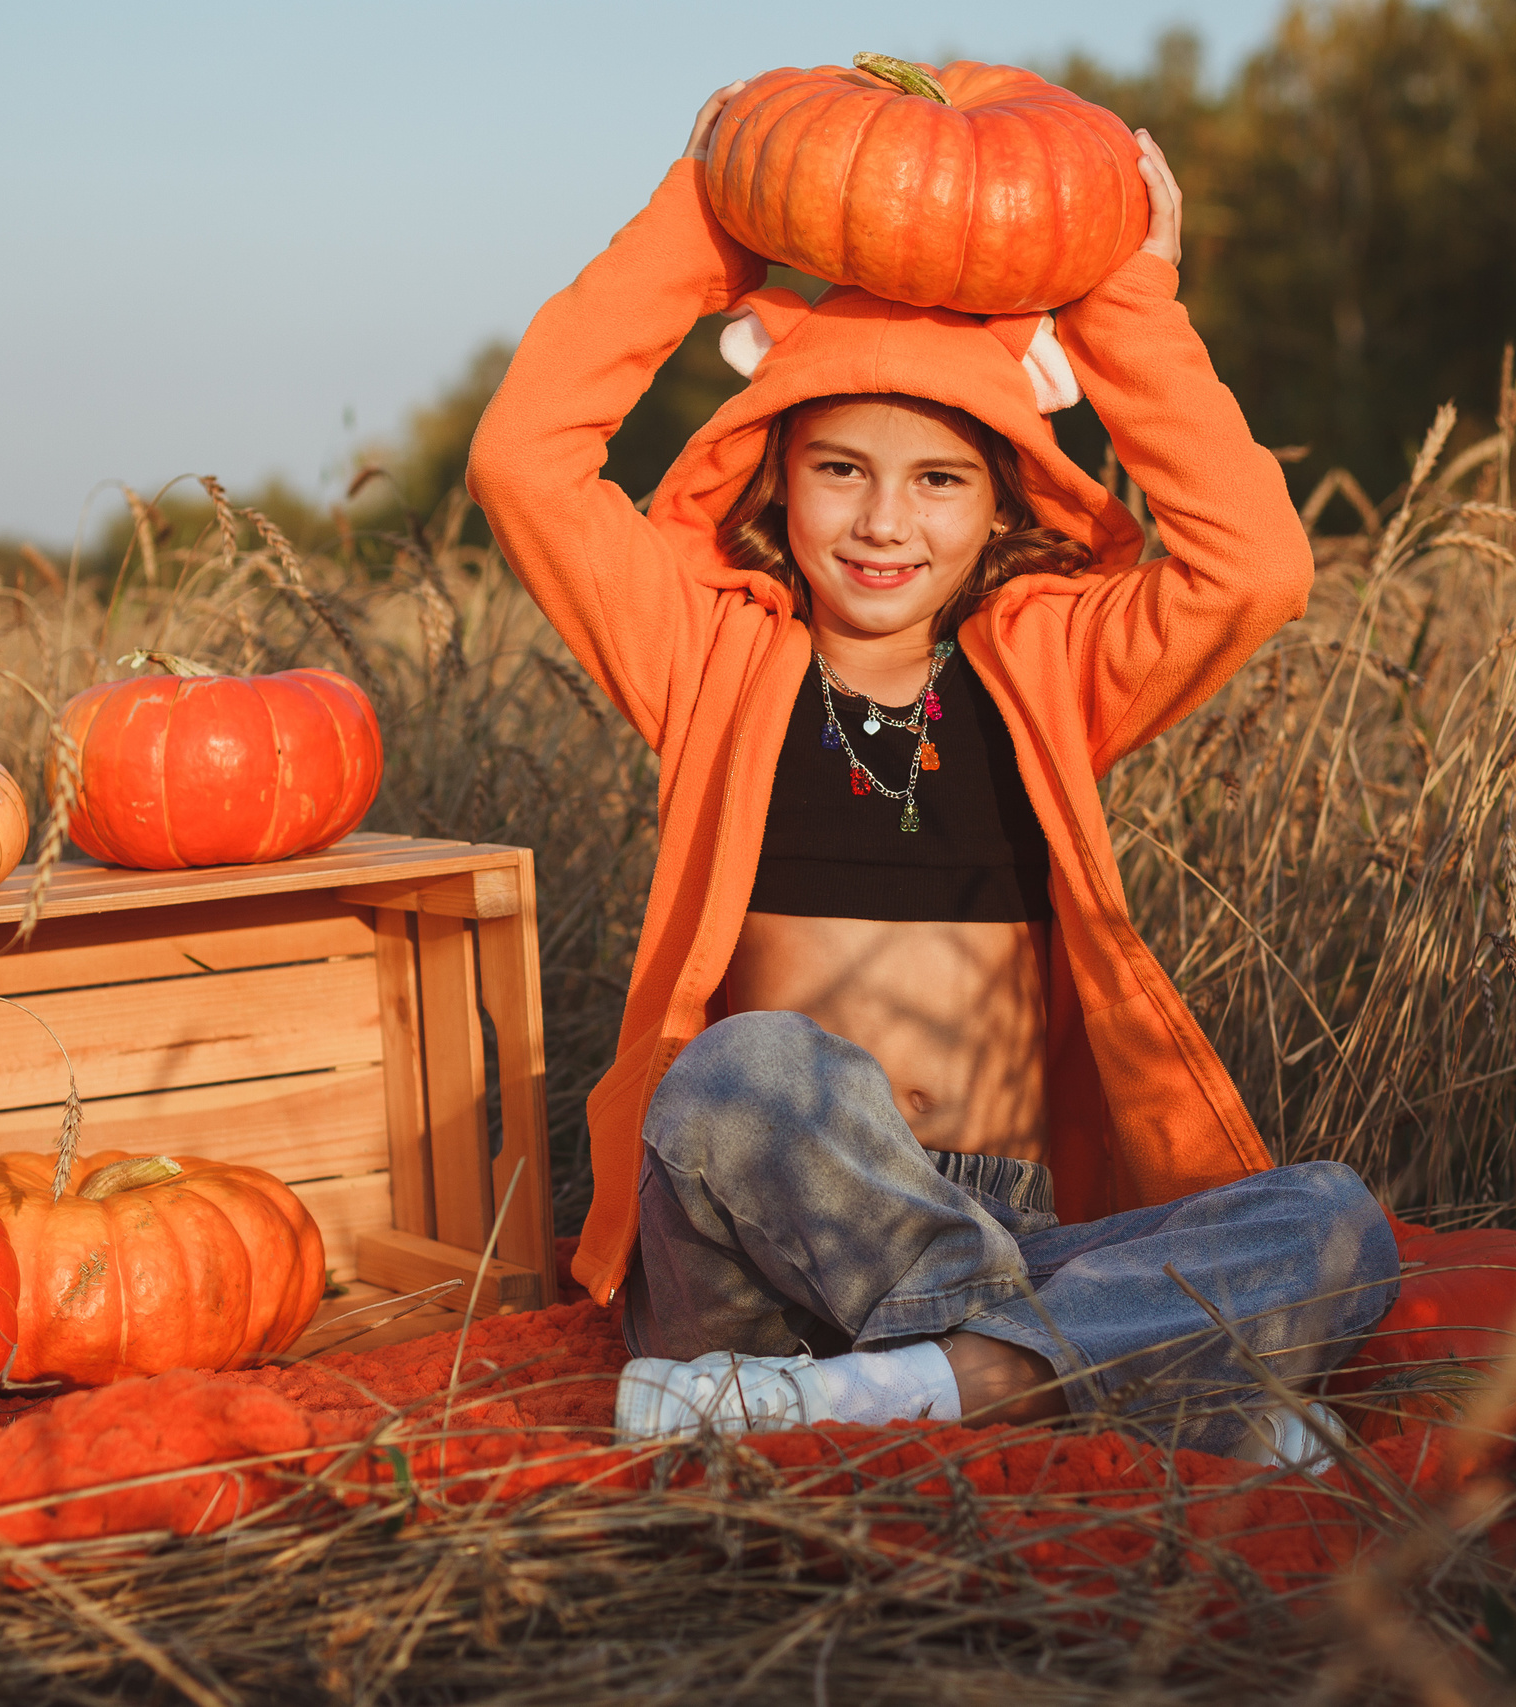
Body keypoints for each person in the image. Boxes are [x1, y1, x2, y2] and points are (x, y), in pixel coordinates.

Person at [464, 80, 1399, 1459]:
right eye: (841, 468)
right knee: (740, 1071)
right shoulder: (707, 647)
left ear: (1008, 496)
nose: (883, 521)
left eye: (940, 481)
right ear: (777, 474)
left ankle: (938, 1380)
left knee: (1333, 1219)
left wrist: (1130, 295)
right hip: (763, 1237)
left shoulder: (1053, 669)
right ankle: (1100, 1380)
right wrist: (707, 218)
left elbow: (1257, 564)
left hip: (1004, 1221)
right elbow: (523, 458)